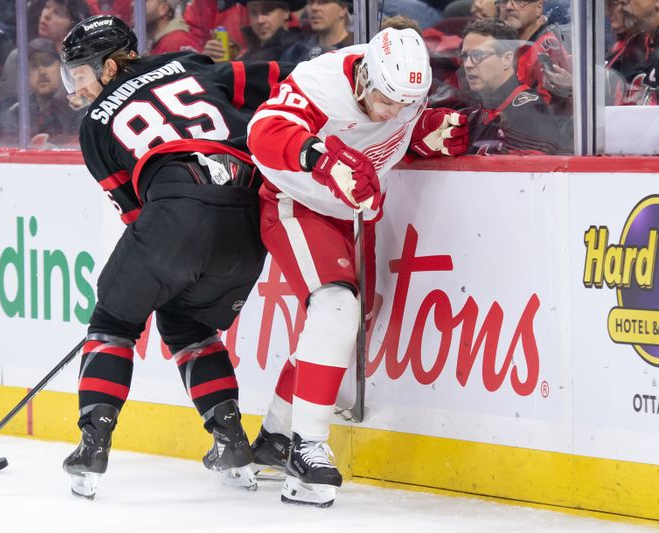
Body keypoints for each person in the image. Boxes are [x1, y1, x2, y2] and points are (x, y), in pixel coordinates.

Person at [59, 14, 294, 500]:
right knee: (188, 326)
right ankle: (230, 441)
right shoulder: (188, 64)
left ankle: (92, 446)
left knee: (112, 324)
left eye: (80, 72)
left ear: (107, 67)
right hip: (249, 213)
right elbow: (286, 81)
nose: (75, 85)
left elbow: (136, 213)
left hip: (176, 207)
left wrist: (135, 291)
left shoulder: (95, 124)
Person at [245, 27, 468, 507]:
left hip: (351, 212)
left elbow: (395, 132)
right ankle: (307, 449)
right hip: (296, 201)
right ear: (365, 74)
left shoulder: (404, 92)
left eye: (402, 104)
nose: (391, 111)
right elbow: (263, 131)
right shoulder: (319, 83)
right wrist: (319, 158)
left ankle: (276, 435)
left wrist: (424, 135)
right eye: (385, 100)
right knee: (336, 307)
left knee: (346, 323)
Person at [461, 17, 571, 153]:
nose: (468, 65)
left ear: (506, 59)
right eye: (465, 56)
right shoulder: (476, 111)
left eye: (478, 55)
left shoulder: (530, 116)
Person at [0, 37, 83, 147]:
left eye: (47, 63)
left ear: (61, 67)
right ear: (26, 75)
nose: (42, 71)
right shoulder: (16, 113)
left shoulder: (81, 110)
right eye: (34, 66)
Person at [497, 0, 572, 107]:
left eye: (519, 1)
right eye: (503, 1)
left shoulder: (545, 49)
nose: (508, 6)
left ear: (539, 7)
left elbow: (553, 114)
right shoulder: (501, 43)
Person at [281, 0, 352, 63]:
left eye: (324, 2)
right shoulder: (295, 52)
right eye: (310, 2)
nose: (314, 8)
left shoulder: (356, 48)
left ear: (343, 9)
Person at [238, 0, 303, 61]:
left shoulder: (299, 50)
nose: (260, 20)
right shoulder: (249, 53)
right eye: (254, 13)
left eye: (267, 12)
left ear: (286, 12)